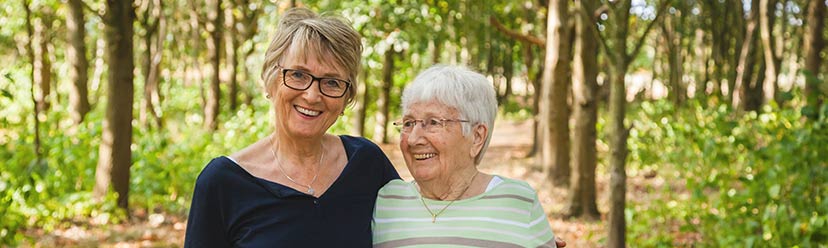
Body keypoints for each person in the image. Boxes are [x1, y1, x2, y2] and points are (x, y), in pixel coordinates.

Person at [184, 8, 399, 247]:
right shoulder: (222, 182)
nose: (312, 95)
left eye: (331, 82)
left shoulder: (367, 163)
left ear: (346, 97)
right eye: (298, 74)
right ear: (271, 79)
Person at [372, 65, 562, 247]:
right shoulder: (386, 201)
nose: (413, 139)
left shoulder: (518, 202)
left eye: (433, 123)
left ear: (477, 137)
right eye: (408, 123)